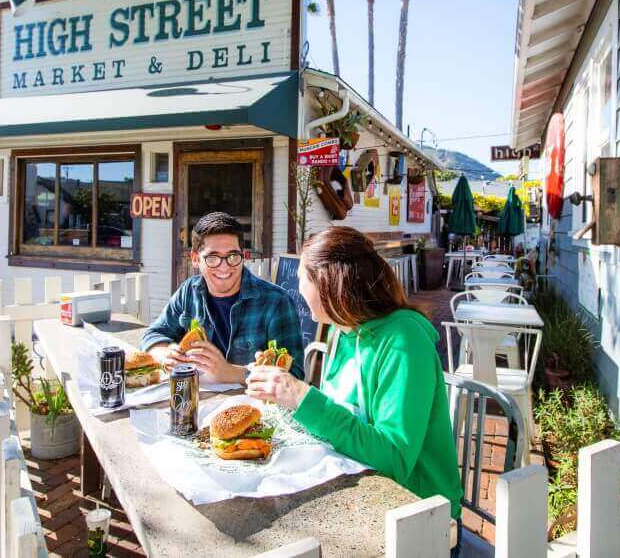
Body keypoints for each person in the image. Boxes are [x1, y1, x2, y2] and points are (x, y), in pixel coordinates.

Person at [246, 226, 463, 531]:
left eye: (302, 280)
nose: (298, 289)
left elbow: (394, 459)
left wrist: (301, 396)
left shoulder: (404, 341)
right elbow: (341, 422)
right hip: (360, 496)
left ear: (327, 283)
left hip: (420, 519)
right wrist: (285, 399)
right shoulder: (343, 330)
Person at [141, 212, 304, 383]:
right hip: (196, 399)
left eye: (233, 256)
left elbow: (294, 374)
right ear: (195, 259)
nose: (225, 267)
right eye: (213, 258)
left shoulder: (276, 302)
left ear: (243, 256)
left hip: (254, 403)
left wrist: (232, 373)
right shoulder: (189, 291)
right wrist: (164, 354)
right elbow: (153, 334)